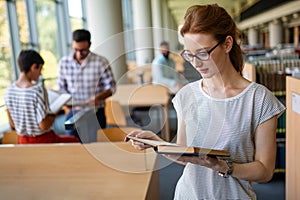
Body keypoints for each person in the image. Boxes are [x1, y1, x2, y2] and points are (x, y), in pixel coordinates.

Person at [126, 4, 286, 199]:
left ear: (227, 44)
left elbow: (265, 172)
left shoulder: (259, 100)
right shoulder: (187, 95)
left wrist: (222, 166)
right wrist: (157, 144)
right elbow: (186, 156)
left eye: (202, 53)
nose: (195, 62)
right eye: (189, 54)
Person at [4, 50, 80, 144]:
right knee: (75, 141)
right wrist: (54, 112)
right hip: (43, 140)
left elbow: (13, 124)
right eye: (40, 69)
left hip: (22, 141)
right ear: (33, 67)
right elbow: (44, 126)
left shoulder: (8, 91)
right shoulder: (37, 91)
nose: (40, 74)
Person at [58, 29, 116, 139]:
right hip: (74, 111)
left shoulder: (101, 62)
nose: (79, 54)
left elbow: (112, 87)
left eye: (83, 50)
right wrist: (64, 101)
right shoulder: (64, 62)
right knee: (72, 145)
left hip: (96, 112)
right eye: (76, 49)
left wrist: (98, 98)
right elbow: (61, 88)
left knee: (96, 146)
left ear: (89, 45)